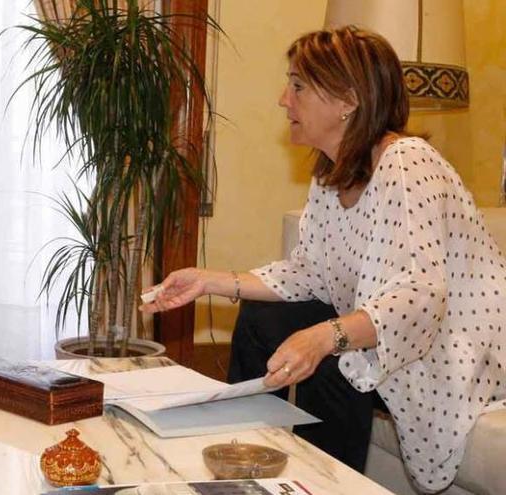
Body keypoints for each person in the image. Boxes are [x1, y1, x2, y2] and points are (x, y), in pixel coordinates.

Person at [141, 26, 506, 493]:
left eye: (297, 86)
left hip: (453, 351)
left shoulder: (408, 162)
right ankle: (238, 463)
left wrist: (322, 337)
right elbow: (307, 273)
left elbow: (418, 299)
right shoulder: (331, 173)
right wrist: (205, 281)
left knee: (334, 358)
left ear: (347, 99)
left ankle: (321, 486)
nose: (282, 99)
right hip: (389, 336)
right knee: (264, 319)